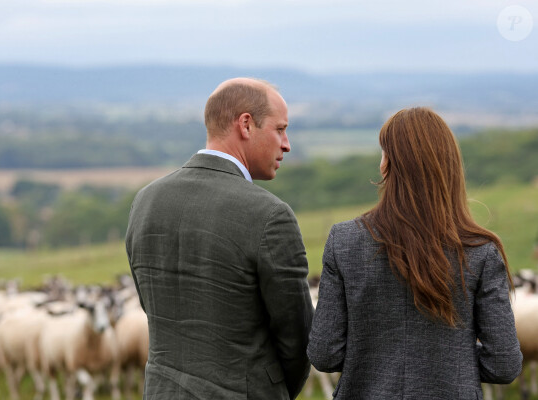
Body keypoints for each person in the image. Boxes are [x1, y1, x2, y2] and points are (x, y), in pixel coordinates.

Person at [307, 107, 522, 399]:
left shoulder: (343, 241)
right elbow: (504, 365)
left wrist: (375, 359)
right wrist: (449, 361)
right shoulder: (481, 252)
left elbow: (324, 354)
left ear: (388, 165)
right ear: (450, 167)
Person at [126, 77, 314, 400]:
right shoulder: (269, 215)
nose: (287, 144)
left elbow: (153, 307)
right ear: (246, 125)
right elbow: (298, 339)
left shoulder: (145, 201)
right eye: (280, 129)